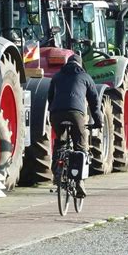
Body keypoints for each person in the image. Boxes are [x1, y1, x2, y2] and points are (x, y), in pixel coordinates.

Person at [48, 54, 103, 197]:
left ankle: (57, 175)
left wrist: (51, 114)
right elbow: (94, 102)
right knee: (80, 146)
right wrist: (98, 121)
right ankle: (79, 182)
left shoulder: (57, 76)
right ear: (80, 65)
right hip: (76, 113)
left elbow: (50, 97)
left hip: (57, 113)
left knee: (59, 143)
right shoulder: (85, 77)